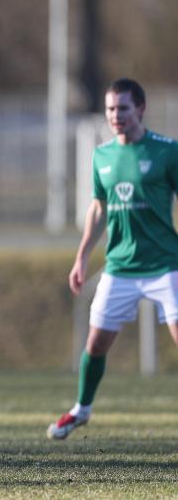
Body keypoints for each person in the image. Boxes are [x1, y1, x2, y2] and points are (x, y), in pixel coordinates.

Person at [48, 78, 178, 440]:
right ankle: (81, 410)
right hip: (120, 267)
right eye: (110, 109)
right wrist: (81, 258)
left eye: (123, 108)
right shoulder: (102, 156)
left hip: (166, 264)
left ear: (141, 109)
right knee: (95, 344)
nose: (115, 115)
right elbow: (98, 208)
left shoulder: (167, 152)